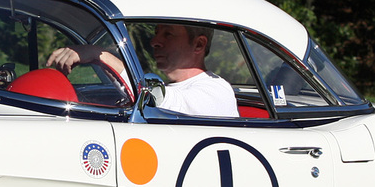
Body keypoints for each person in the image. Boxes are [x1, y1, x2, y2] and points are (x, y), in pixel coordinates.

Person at [47, 21, 238, 116]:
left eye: (168, 34)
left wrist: (100, 56)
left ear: (198, 45)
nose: (155, 42)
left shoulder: (217, 91)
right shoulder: (172, 89)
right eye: (156, 34)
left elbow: (160, 102)